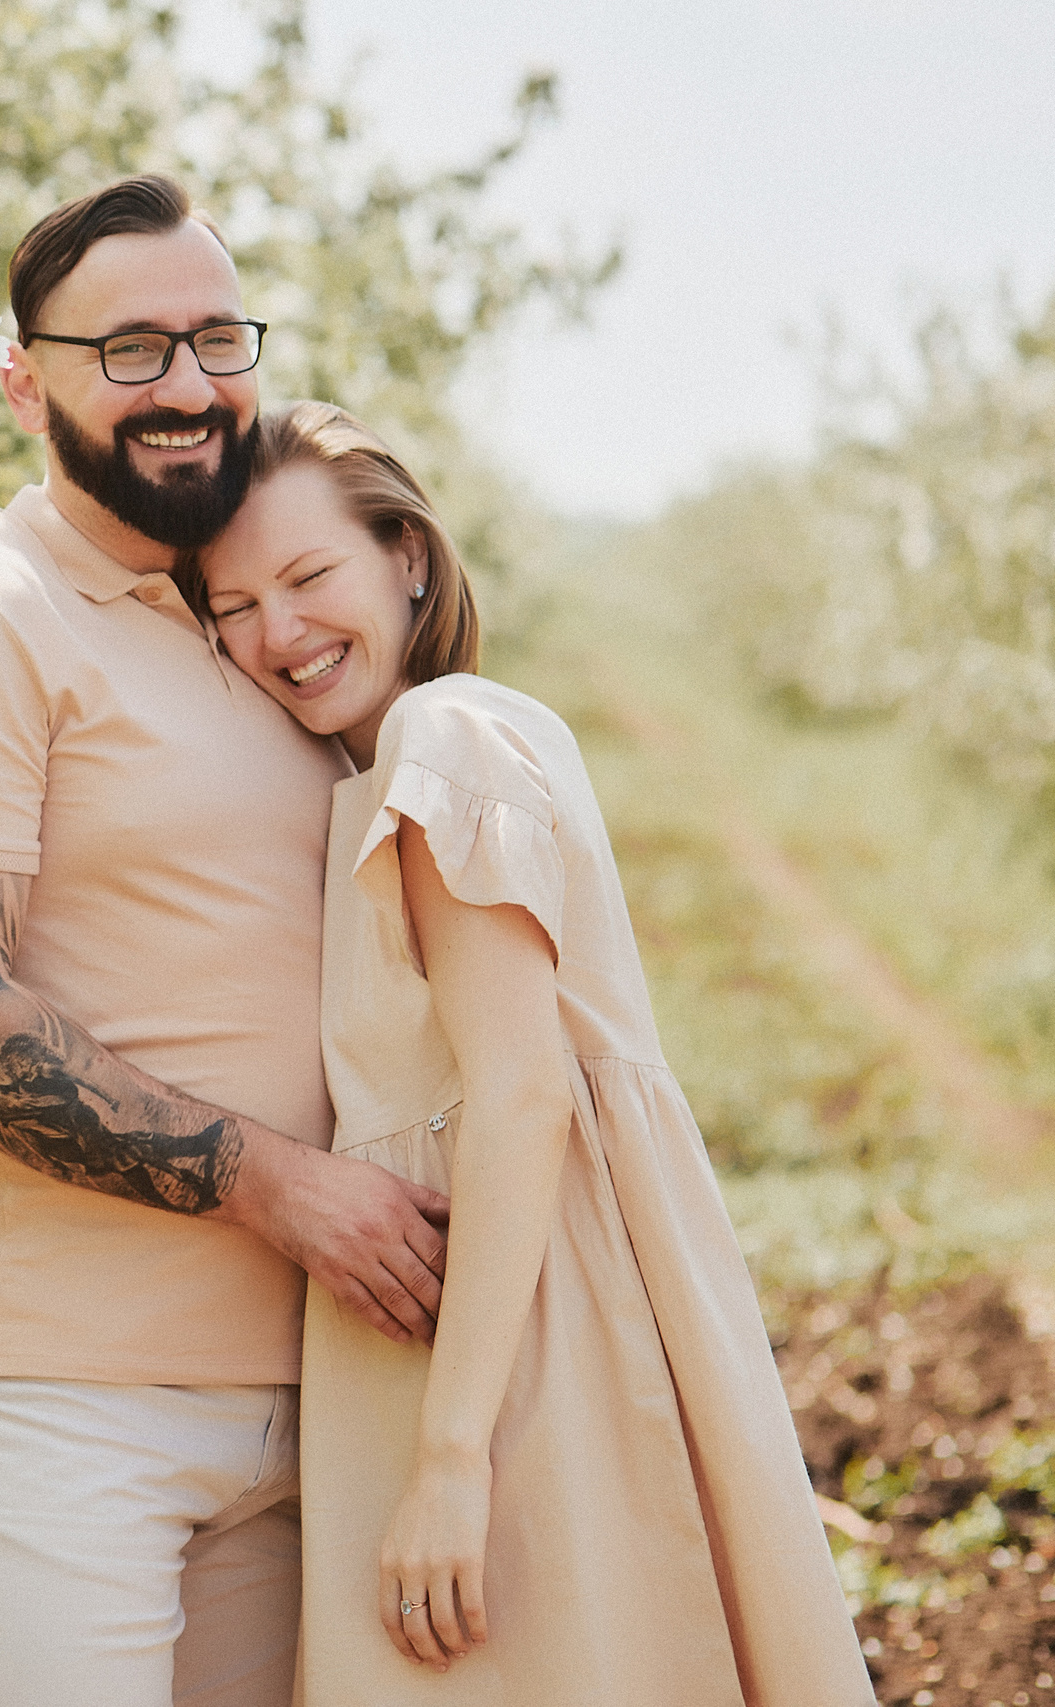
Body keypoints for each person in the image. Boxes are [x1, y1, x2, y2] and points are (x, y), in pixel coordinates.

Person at [0, 176, 453, 1706]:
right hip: (76, 1404)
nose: (184, 384)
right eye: (130, 350)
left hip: (324, 1390)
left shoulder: (259, 610)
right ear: (23, 383)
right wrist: (283, 1190)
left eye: (213, 339)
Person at [197, 400, 875, 1704]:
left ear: (406, 554)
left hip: (520, 1346)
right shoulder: (447, 743)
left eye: (308, 575)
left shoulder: (441, 739)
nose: (277, 631)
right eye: (231, 604)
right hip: (509, 1317)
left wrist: (452, 1459)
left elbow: (518, 1095)